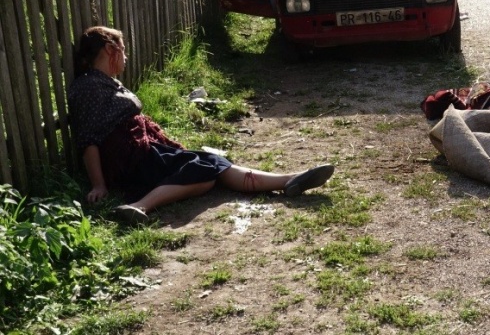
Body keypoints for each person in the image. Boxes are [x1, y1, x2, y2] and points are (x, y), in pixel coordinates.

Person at [68, 26, 335, 224]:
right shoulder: (88, 86)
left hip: (145, 153)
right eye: (123, 50)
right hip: (132, 161)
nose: (126, 57)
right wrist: (99, 185)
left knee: (211, 163)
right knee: (203, 170)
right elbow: (89, 138)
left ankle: (289, 180)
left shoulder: (105, 82)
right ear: (110, 49)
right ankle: (139, 206)